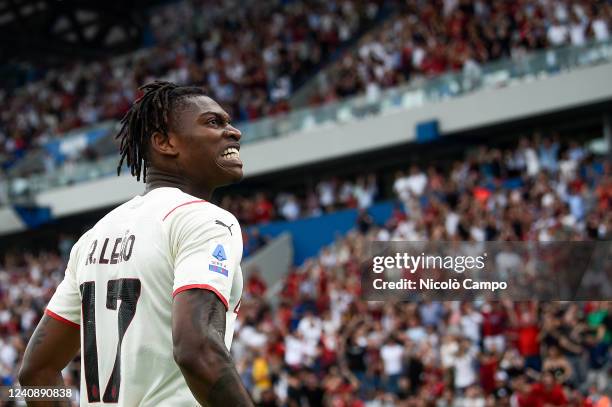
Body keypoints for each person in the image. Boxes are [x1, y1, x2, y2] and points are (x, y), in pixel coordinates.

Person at [18, 81, 254, 406]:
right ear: (164, 142)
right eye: (214, 122)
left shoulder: (93, 238)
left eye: (227, 121)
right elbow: (195, 349)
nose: (234, 132)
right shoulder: (205, 220)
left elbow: (35, 371)